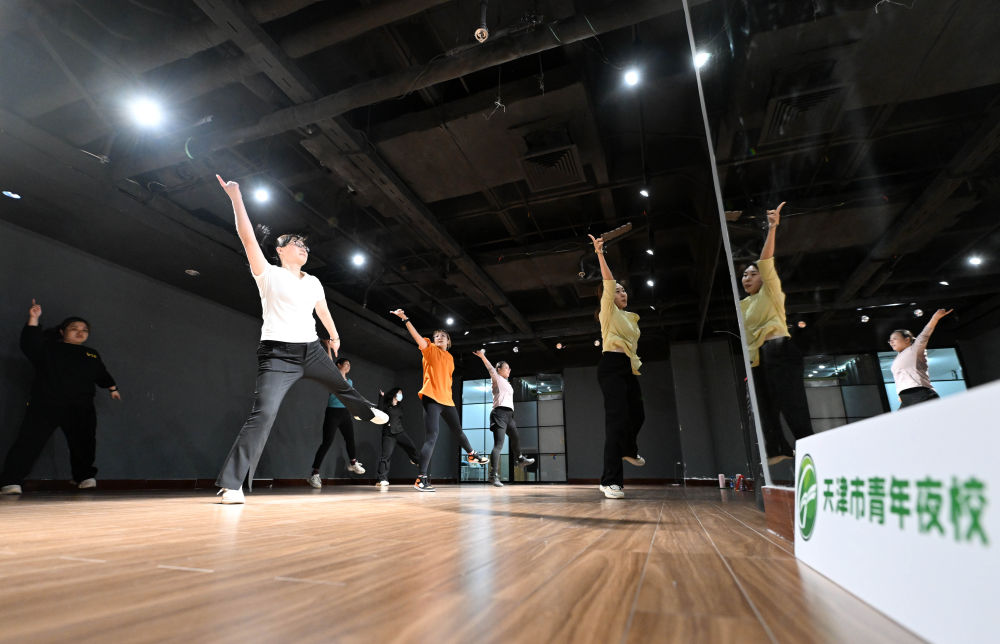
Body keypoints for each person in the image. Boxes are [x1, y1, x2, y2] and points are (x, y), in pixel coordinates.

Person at [214, 174, 387, 505]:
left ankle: (363, 410)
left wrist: (334, 335)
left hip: (311, 349)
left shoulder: (313, 281)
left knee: (340, 383)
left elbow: (322, 310)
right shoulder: (268, 273)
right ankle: (231, 484)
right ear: (280, 250)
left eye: (306, 246)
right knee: (264, 414)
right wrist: (236, 198)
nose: (303, 248)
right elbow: (247, 238)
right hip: (277, 355)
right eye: (296, 243)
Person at [1, 300, 120, 495]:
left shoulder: (91, 354)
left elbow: (101, 373)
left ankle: (84, 477)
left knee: (84, 443)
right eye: (74, 329)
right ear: (62, 332)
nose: (80, 332)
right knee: (30, 441)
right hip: (47, 403)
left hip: (81, 406)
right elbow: (30, 345)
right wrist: (33, 318)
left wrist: (112, 388)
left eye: (84, 330)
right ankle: (11, 481)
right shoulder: (49, 348)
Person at [739, 202, 813, 467]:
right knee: (764, 409)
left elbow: (765, 261)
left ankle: (812, 449)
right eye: (744, 275)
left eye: (752, 274)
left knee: (792, 405)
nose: (747, 278)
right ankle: (778, 448)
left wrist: (772, 228)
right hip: (759, 359)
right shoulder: (743, 305)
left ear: (763, 278)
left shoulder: (770, 291)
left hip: (779, 349)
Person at [389, 308, 489, 492]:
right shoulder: (429, 349)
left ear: (448, 341)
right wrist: (405, 319)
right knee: (432, 437)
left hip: (447, 400)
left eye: (443, 336)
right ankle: (421, 479)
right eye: (436, 336)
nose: (439, 337)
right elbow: (417, 337)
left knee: (458, 431)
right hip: (431, 398)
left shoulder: (450, 358)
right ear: (433, 340)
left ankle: (471, 454)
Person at [589, 233, 646, 500]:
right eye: (618, 291)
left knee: (638, 414)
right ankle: (610, 481)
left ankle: (628, 449)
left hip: (628, 368)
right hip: (611, 366)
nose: (622, 293)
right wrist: (600, 253)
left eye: (624, 291)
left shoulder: (630, 318)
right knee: (616, 423)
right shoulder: (608, 312)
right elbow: (609, 283)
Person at [472, 349, 535, 487]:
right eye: (506, 368)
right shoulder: (496, 378)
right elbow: (490, 367)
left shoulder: (507, 383)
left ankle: (520, 459)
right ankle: (493, 476)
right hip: (499, 413)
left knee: (515, 437)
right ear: (499, 370)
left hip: (509, 415)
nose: (509, 370)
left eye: (509, 368)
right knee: (499, 445)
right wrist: (482, 356)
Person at [307, 357, 367, 488]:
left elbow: (350, 398)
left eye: (350, 364)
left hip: (345, 413)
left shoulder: (350, 381)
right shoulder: (333, 377)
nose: (348, 366)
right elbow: (329, 364)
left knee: (350, 439)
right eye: (346, 363)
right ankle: (314, 474)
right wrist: (329, 348)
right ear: (338, 365)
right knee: (327, 442)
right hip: (333, 413)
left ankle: (352, 463)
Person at [888, 309, 953, 408]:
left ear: (907, 339)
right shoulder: (898, 357)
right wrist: (900, 392)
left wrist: (935, 318)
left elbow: (925, 334)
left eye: (895, 339)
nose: (891, 342)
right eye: (890, 340)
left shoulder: (915, 350)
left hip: (920, 394)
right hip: (907, 398)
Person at [373, 387, 421, 487]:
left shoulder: (399, 407)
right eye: (399, 393)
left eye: (401, 394)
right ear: (394, 394)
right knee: (386, 456)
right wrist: (381, 397)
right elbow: (379, 411)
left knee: (411, 447)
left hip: (399, 432)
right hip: (389, 434)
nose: (401, 395)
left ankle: (415, 460)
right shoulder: (386, 406)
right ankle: (382, 479)